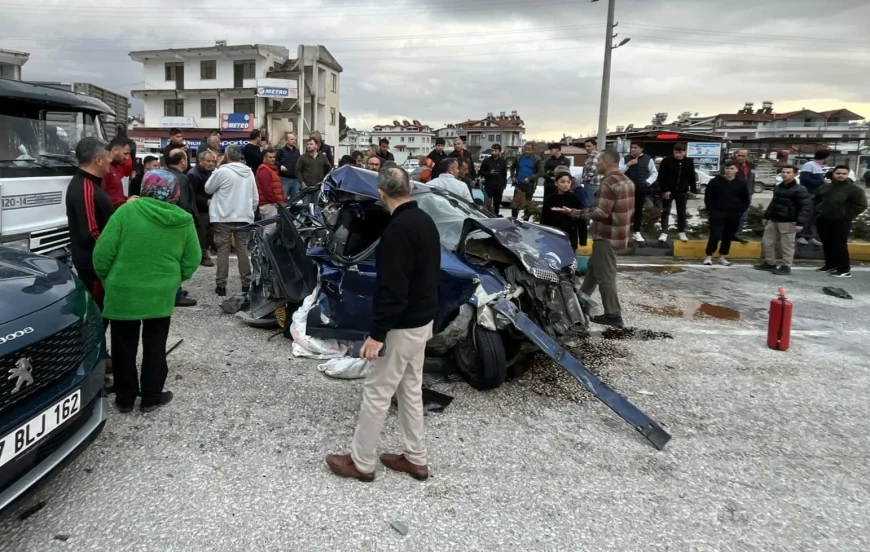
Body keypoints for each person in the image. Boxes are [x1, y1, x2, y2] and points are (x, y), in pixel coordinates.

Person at [326, 167, 441, 482]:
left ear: (381, 194)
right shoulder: (425, 221)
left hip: (401, 327)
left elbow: (393, 290)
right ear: (410, 189)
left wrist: (377, 335)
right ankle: (416, 458)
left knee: (377, 392)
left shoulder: (398, 230)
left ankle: (361, 463)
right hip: (421, 322)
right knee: (410, 389)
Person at [93, 169, 201, 413]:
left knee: (123, 347)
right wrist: (174, 279)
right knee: (155, 346)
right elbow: (192, 259)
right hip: (160, 292)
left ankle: (125, 399)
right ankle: (151, 398)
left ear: (145, 188)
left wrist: (109, 280)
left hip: (123, 291)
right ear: (174, 192)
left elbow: (102, 254)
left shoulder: (126, 212)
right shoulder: (183, 220)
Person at [551, 149, 634, 328]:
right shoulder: (626, 180)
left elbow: (601, 212)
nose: (596, 165)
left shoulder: (609, 182)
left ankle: (613, 315)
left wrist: (574, 213)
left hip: (606, 235)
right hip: (619, 233)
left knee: (605, 275)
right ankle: (579, 302)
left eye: (599, 162)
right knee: (594, 270)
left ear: (606, 162)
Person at [66, 137, 115, 316]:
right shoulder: (85, 187)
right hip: (93, 264)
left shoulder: (91, 183)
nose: (111, 161)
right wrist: (113, 251)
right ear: (98, 160)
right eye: (108, 156)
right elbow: (90, 232)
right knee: (95, 312)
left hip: (97, 261)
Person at [204, 145, 259, 297]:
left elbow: (208, 188)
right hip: (243, 216)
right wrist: (250, 210)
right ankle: (246, 283)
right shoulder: (248, 172)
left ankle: (221, 285)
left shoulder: (222, 171)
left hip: (223, 215)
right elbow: (255, 196)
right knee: (243, 250)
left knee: (223, 250)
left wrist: (217, 168)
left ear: (227, 156)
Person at [755, 165, 810, 275]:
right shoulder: (778, 187)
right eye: (783, 172)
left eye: (788, 172)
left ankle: (786, 266)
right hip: (773, 219)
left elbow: (805, 207)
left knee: (787, 245)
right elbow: (773, 203)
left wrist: (800, 222)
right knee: (767, 242)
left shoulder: (800, 189)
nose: (785, 174)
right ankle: (770, 263)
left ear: (794, 174)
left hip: (788, 221)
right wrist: (766, 216)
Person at [815, 165, 868, 278]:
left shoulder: (854, 190)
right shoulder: (825, 187)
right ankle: (830, 265)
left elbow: (861, 205)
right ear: (833, 174)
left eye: (844, 174)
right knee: (827, 243)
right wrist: (818, 211)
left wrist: (846, 215)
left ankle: (844, 269)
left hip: (841, 221)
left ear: (847, 175)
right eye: (838, 173)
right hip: (823, 219)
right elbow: (817, 200)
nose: (841, 176)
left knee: (839, 244)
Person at [702, 162, 751, 267]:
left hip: (733, 214)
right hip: (718, 213)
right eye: (727, 168)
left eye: (732, 168)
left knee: (728, 236)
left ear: (736, 170)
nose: (729, 170)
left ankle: (722, 256)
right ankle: (709, 256)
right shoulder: (715, 181)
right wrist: (711, 210)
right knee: (715, 235)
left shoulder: (741, 184)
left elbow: (745, 200)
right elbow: (708, 197)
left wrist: (739, 212)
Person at [656, 143, 697, 244]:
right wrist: (665, 190)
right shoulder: (667, 161)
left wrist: (693, 190)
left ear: (684, 152)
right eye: (676, 152)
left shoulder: (689, 162)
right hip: (669, 191)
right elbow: (661, 176)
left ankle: (682, 232)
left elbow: (692, 176)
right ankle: (664, 232)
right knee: (666, 211)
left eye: (680, 152)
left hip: (682, 191)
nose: (678, 155)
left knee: (681, 212)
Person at [619, 141, 657, 243]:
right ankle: (623, 231)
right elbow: (619, 172)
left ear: (641, 149)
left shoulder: (648, 159)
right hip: (627, 189)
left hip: (641, 188)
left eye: (635, 147)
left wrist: (648, 182)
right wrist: (628, 164)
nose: (633, 149)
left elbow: (654, 173)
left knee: (638, 210)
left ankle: (636, 232)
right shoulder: (625, 159)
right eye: (632, 147)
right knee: (625, 211)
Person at [541, 166, 586, 250]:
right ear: (556, 183)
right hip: (553, 237)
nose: (566, 184)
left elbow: (581, 220)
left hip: (570, 236)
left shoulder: (575, 198)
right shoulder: (550, 199)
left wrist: (583, 240)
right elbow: (544, 219)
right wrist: (543, 237)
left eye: (568, 182)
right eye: (562, 182)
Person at [187, 150, 217, 267]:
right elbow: (192, 194)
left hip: (209, 207)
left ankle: (205, 253)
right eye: (208, 161)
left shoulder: (210, 172)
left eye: (212, 161)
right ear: (200, 161)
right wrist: (205, 201)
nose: (211, 163)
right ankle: (202, 256)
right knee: (202, 234)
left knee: (209, 233)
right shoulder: (193, 174)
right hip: (200, 209)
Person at [797, 150, 831, 246]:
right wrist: (822, 182)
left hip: (817, 195)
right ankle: (801, 235)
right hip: (809, 194)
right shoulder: (809, 165)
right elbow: (804, 179)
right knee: (807, 215)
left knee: (814, 216)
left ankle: (810, 236)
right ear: (825, 157)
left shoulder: (818, 166)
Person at [510, 142, 544, 220]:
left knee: (528, 204)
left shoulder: (537, 159)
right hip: (518, 183)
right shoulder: (519, 158)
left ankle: (525, 221)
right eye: (525, 149)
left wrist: (530, 178)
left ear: (533, 150)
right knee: (515, 204)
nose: (527, 151)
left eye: (529, 149)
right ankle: (513, 220)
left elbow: (541, 172)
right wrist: (513, 176)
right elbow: (512, 167)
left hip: (529, 185)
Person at [731, 149, 755, 244]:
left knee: (743, 215)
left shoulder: (751, 167)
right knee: (731, 215)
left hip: (746, 195)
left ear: (747, 157)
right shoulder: (732, 165)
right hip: (734, 194)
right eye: (739, 155)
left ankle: (738, 235)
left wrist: (751, 192)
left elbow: (752, 180)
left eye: (743, 156)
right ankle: (728, 234)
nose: (740, 157)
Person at [256, 148, 286, 219]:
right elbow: (266, 189)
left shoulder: (271, 169)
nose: (273, 159)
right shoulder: (264, 170)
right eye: (270, 157)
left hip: (272, 204)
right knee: (270, 225)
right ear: (264, 158)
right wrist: (273, 201)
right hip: (269, 205)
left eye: (274, 157)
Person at [103, 137, 131, 208]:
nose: (127, 158)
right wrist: (125, 202)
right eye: (125, 153)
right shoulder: (105, 168)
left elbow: (115, 194)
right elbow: (101, 197)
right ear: (115, 150)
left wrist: (127, 199)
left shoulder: (115, 167)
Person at [479, 144, 508, 213]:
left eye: (495, 150)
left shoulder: (503, 161)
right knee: (485, 203)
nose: (493, 152)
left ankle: (496, 215)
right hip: (489, 186)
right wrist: (489, 173)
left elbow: (504, 174)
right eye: (492, 150)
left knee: (497, 205)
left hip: (499, 186)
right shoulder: (486, 161)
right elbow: (481, 172)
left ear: (499, 151)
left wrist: (504, 184)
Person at [274, 132, 301, 199]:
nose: (293, 141)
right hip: (285, 179)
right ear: (286, 140)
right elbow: (275, 161)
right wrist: (280, 166)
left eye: (294, 139)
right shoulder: (281, 151)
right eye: (291, 139)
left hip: (296, 180)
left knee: (294, 200)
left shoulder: (297, 151)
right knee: (283, 198)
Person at [581, 138, 601, 205]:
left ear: (594, 146)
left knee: (590, 203)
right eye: (585, 146)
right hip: (595, 183)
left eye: (589, 146)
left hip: (592, 183)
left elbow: (592, 170)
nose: (587, 148)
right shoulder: (597, 154)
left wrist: (585, 179)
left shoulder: (593, 155)